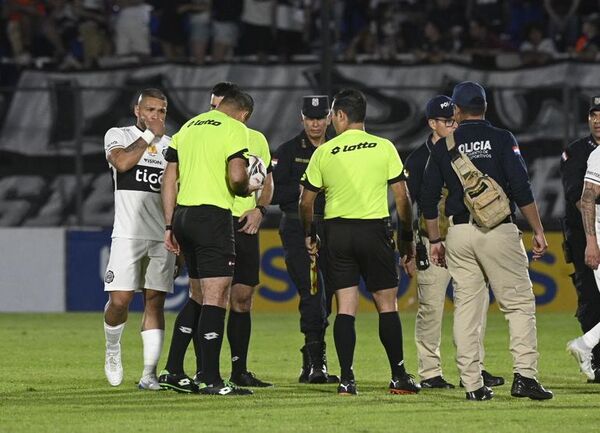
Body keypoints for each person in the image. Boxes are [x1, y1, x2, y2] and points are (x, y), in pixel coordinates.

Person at [421, 81, 553, 401]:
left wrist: (436, 240)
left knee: (467, 307)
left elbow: (426, 199)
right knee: (518, 304)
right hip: (497, 230)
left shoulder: (444, 146)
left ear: (456, 110)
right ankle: (524, 376)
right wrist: (537, 230)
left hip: (459, 233)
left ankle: (473, 385)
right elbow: (521, 187)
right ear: (485, 107)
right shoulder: (501, 138)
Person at [299, 88, 420, 396]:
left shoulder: (324, 152)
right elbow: (403, 198)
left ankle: (347, 379)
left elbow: (305, 201)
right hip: (374, 230)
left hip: (337, 232)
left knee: (346, 307)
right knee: (386, 305)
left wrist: (310, 234)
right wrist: (406, 237)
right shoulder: (384, 147)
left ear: (340, 115)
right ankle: (399, 376)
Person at [158, 82, 273, 392]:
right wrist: (247, 188)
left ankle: (172, 370)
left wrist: (169, 226)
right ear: (244, 113)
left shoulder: (187, 127)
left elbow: (169, 179)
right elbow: (237, 176)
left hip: (183, 216)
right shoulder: (235, 129)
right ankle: (209, 377)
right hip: (213, 217)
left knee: (197, 295)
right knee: (217, 296)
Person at [404, 95, 504, 389]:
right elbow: (406, 206)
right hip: (430, 240)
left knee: (473, 307)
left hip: (467, 237)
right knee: (431, 307)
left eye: (453, 119)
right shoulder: (419, 158)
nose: (451, 124)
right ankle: (430, 372)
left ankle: (474, 369)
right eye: (445, 121)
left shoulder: (466, 150)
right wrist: (407, 248)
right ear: (431, 123)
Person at [102, 88, 176, 390]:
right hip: (127, 234)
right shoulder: (117, 135)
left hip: (161, 235)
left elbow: (176, 192)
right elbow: (121, 164)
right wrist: (148, 138)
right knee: (119, 301)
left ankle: (149, 373)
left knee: (155, 303)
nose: (156, 117)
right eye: (150, 110)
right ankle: (112, 349)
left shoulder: (173, 146)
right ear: (137, 110)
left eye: (161, 111)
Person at [272, 95, 338, 384]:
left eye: (320, 117)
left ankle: (311, 358)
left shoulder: (340, 149)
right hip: (299, 228)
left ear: (329, 118)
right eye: (310, 118)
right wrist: (306, 189)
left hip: (335, 228)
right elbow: (273, 193)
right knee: (313, 293)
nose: (315, 123)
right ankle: (316, 361)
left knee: (329, 294)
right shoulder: (287, 151)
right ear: (302, 118)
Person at [561, 96, 600, 383]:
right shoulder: (580, 152)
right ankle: (594, 358)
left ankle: (585, 345)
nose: (597, 120)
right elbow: (581, 198)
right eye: (593, 115)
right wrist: (592, 239)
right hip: (585, 234)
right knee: (590, 299)